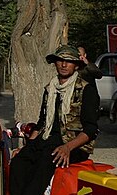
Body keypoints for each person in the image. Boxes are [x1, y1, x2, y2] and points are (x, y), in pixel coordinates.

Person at [9, 45, 100, 195]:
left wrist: (68, 148)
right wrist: (27, 147)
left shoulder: (86, 90)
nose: (64, 65)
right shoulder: (50, 89)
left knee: (43, 165)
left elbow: (91, 130)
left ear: (76, 65)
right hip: (47, 139)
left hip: (73, 144)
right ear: (55, 63)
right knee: (19, 162)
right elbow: (41, 123)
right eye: (60, 60)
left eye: (68, 61)